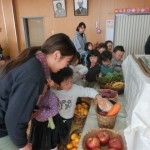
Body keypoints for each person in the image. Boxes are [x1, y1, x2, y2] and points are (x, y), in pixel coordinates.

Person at [0, 33, 76, 150]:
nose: (66, 66)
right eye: (68, 61)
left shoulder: (34, 61)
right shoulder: (34, 74)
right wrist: (23, 144)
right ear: (57, 55)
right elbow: (13, 120)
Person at [50, 67, 110, 147]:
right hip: (55, 117)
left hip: (68, 117)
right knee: (54, 132)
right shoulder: (52, 91)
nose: (70, 84)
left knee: (65, 133)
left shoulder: (74, 89)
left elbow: (88, 91)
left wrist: (98, 96)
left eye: (71, 81)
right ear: (57, 84)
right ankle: (56, 142)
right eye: (66, 83)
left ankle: (64, 143)